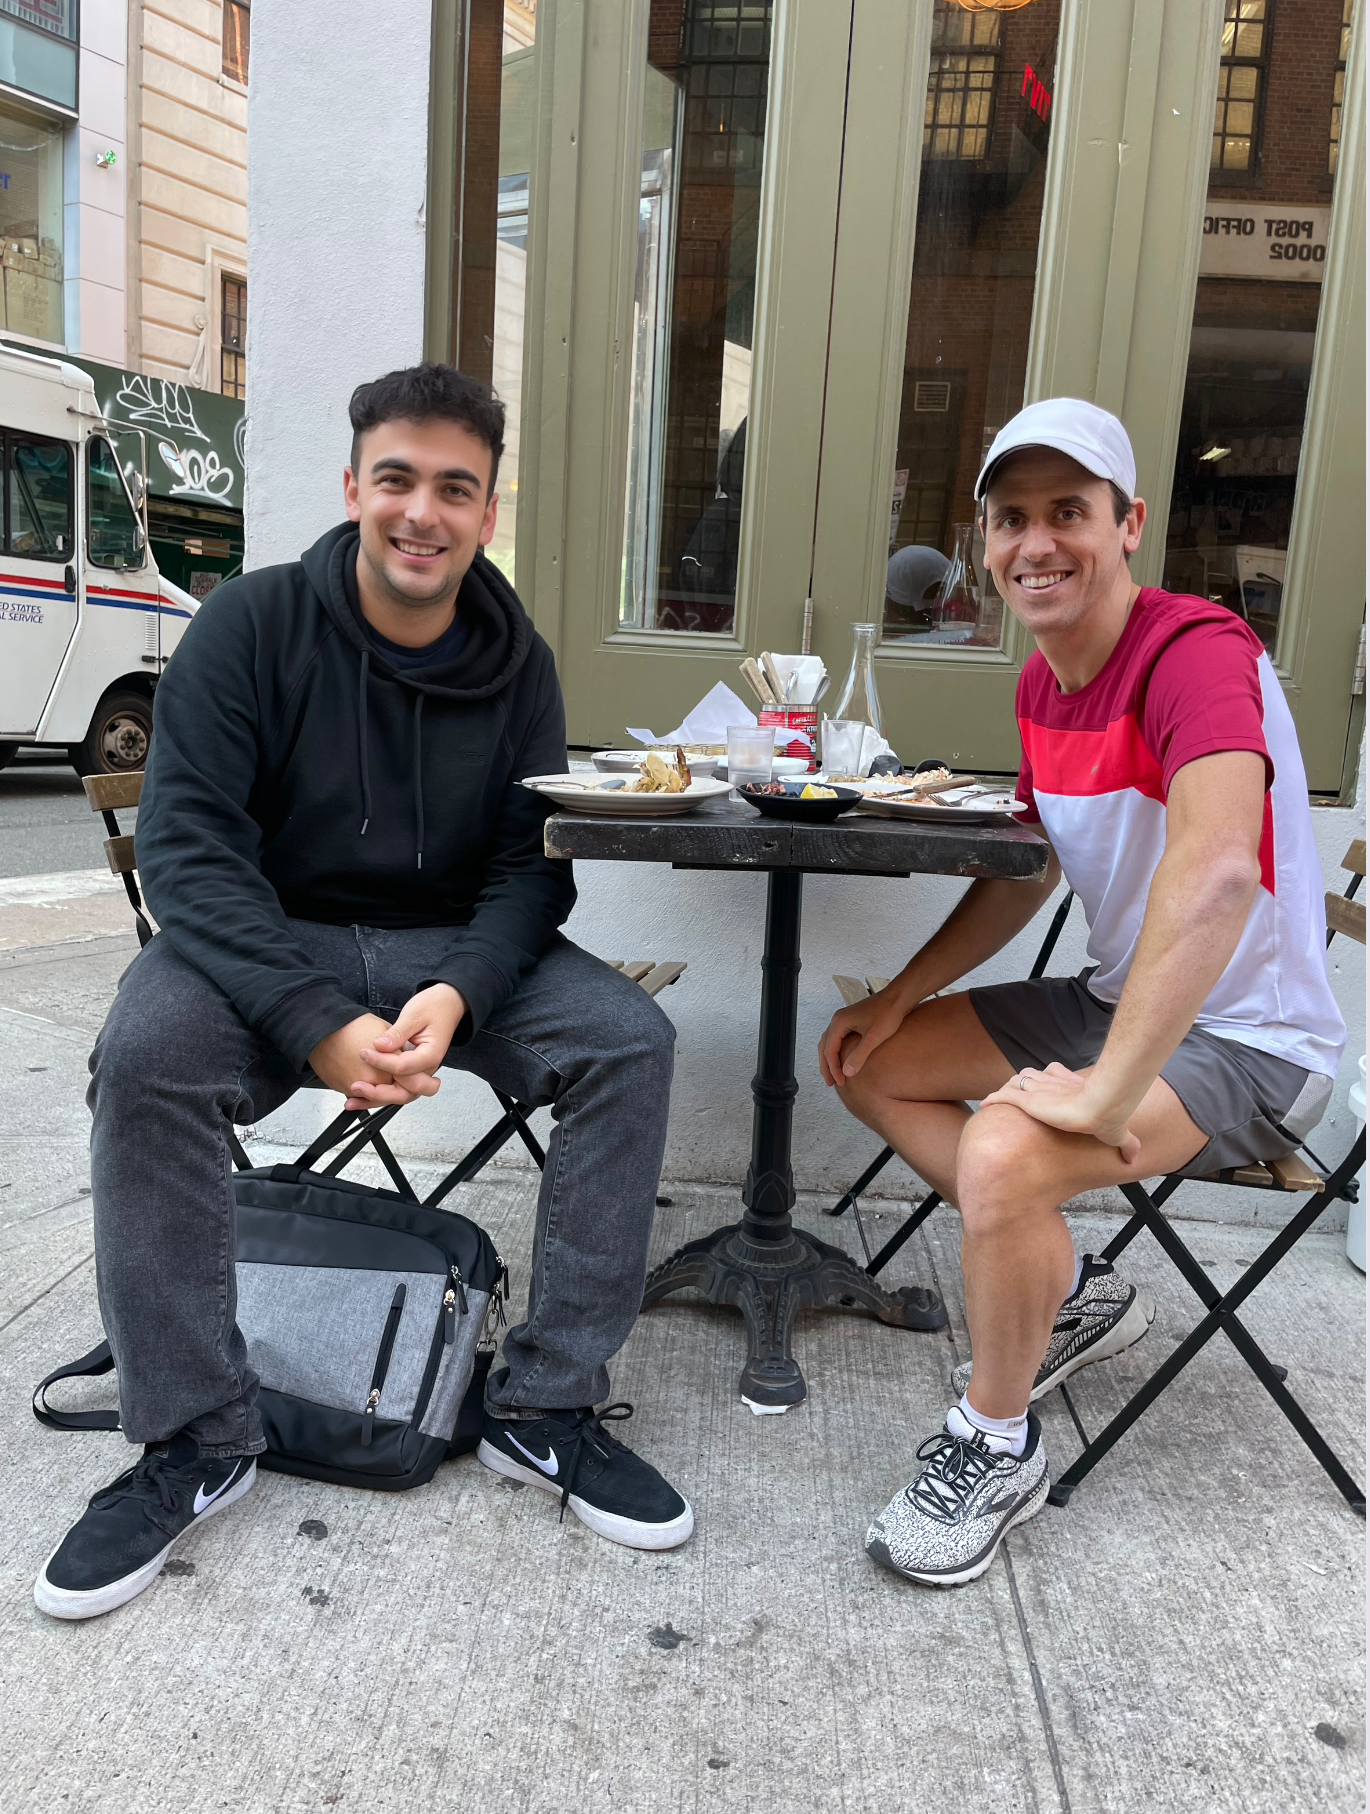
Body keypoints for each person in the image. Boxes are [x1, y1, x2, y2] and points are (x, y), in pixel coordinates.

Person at [36, 364, 692, 1622]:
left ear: (487, 511)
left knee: (629, 1041)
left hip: (449, 949)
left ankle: (544, 1405)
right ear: (352, 486)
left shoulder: (519, 664)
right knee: (148, 1050)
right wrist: (312, 1020)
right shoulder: (251, 625)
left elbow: (527, 867)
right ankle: (195, 1433)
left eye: (456, 487)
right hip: (271, 943)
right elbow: (184, 849)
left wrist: (460, 987)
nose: (421, 512)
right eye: (397, 478)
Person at [819, 398, 1344, 1588]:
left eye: (1067, 511)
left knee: (1005, 1152)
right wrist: (897, 995)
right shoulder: (1044, 682)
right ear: (984, 544)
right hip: (1121, 1001)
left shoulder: (1197, 653)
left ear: (1127, 526)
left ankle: (994, 1442)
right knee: (867, 1060)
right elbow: (1028, 878)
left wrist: (1106, 1092)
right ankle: (1065, 1286)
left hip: (1252, 1042)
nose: (1035, 542)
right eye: (1010, 518)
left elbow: (1215, 874)